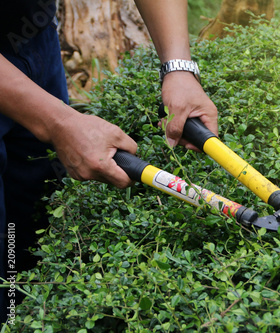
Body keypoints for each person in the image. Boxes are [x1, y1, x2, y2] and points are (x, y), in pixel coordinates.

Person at [0, 0, 218, 323]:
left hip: (31, 31)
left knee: (26, 230)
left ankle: (16, 314)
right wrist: (59, 123)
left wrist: (178, 68)